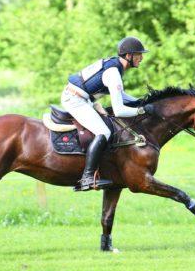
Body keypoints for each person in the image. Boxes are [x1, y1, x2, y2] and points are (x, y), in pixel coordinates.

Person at [62, 36, 155, 191]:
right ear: (128, 56)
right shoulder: (113, 73)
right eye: (139, 54)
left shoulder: (115, 67)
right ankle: (87, 177)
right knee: (104, 131)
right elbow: (118, 110)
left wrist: (140, 101)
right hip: (75, 100)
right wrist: (141, 110)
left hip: (82, 99)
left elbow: (122, 95)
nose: (142, 58)